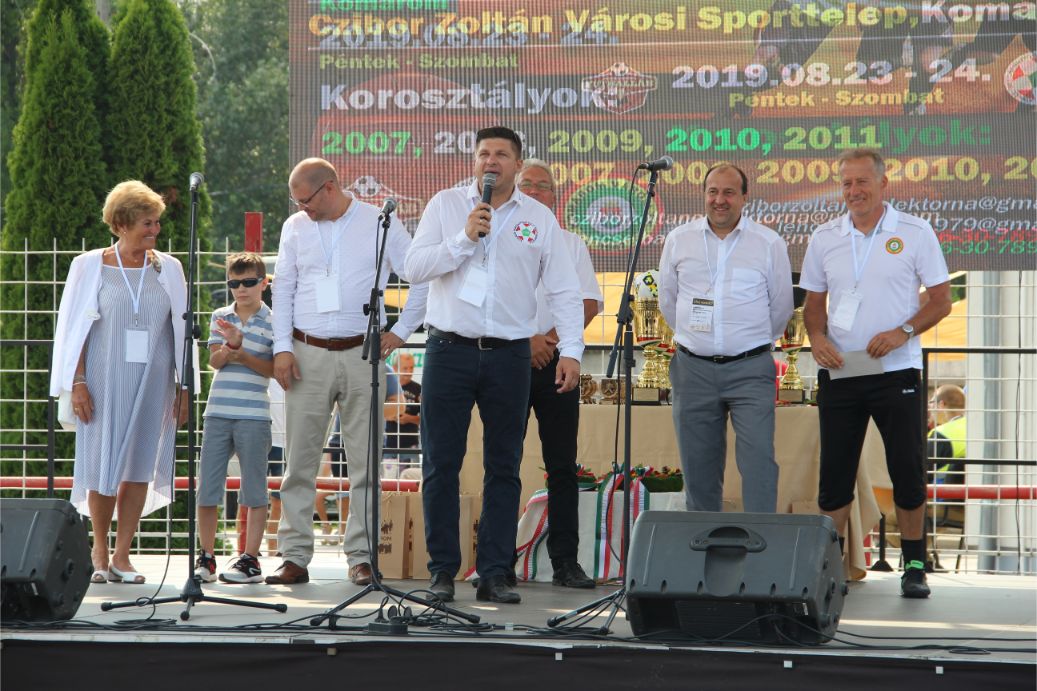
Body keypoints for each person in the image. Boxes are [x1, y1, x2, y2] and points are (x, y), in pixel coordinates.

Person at [404, 126, 585, 604]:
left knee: (503, 465)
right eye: (483, 153)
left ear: (517, 165)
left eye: (501, 154)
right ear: (475, 160)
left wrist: (571, 350)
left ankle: (495, 572)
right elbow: (414, 268)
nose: (491, 161)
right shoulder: (446, 205)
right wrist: (464, 239)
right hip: (449, 350)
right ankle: (442, 571)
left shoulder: (538, 218)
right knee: (441, 463)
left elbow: (565, 289)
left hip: (510, 355)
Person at [268, 158, 428, 586]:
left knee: (365, 463)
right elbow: (283, 289)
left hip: (364, 353)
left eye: (306, 200)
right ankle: (294, 556)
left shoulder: (379, 222)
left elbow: (421, 275)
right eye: (296, 202)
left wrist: (401, 331)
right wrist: (282, 348)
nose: (302, 209)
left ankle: (362, 556)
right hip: (306, 352)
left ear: (330, 187)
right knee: (299, 462)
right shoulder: (295, 227)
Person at [800, 148, 951, 598]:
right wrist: (817, 338)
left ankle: (915, 566)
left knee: (907, 468)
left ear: (883, 184)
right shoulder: (825, 236)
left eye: (862, 182)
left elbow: (941, 301)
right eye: (846, 183)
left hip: (895, 371)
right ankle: (829, 570)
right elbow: (813, 305)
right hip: (841, 371)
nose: (854, 191)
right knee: (835, 474)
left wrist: (903, 331)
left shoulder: (914, 232)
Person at [50, 180, 191, 584]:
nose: (155, 230)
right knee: (102, 464)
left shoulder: (169, 268)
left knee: (139, 466)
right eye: (147, 223)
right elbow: (73, 329)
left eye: (157, 223)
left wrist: (184, 388)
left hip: (154, 381)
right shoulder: (88, 265)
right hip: (102, 379)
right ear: (121, 224)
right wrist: (77, 381)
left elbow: (182, 332)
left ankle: (122, 555)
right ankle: (98, 549)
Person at [658, 164, 794, 515]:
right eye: (713, 192)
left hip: (751, 369)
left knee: (759, 461)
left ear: (745, 197)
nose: (720, 200)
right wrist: (695, 339)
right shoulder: (678, 239)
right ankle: (705, 543)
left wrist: (749, 343)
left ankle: (761, 544)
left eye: (729, 192)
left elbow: (781, 307)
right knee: (698, 466)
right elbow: (668, 302)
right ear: (704, 195)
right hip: (693, 370)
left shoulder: (768, 243)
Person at [514, 159, 603, 588]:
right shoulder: (497, 238)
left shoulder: (571, 243)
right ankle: (497, 562)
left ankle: (566, 562)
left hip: (558, 363)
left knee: (562, 465)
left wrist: (547, 342)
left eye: (542, 186)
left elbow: (588, 303)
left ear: (555, 196)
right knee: (502, 463)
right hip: (508, 360)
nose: (534, 192)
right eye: (526, 185)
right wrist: (525, 340)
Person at [194, 253, 274, 583]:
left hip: (255, 414)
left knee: (254, 489)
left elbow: (273, 369)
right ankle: (207, 557)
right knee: (207, 488)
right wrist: (229, 348)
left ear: (264, 283)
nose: (241, 289)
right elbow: (214, 361)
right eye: (234, 283)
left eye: (249, 282)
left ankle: (250, 560)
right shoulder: (220, 315)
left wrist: (241, 352)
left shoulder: (274, 321)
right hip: (217, 412)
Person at [384, 352, 421, 478]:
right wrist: (391, 416)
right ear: (395, 368)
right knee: (388, 482)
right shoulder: (387, 388)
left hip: (411, 445)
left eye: (411, 368)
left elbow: (426, 418)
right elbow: (375, 412)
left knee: (410, 483)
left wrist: (409, 418)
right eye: (405, 368)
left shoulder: (419, 389)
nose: (409, 372)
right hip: (389, 445)